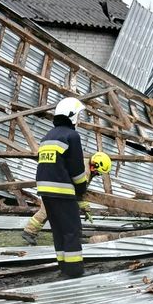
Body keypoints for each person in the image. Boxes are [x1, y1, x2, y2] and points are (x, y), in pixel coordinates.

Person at [34, 97, 90, 278]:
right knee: (72, 230)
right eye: (78, 115)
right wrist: (82, 188)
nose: (79, 120)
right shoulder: (72, 136)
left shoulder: (46, 137)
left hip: (45, 190)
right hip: (62, 191)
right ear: (72, 116)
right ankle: (74, 271)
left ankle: (63, 267)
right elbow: (77, 170)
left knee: (58, 231)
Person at [22, 152, 111, 246]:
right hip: (55, 187)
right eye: (98, 172)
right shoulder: (84, 171)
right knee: (48, 212)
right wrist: (84, 207)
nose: (97, 174)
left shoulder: (84, 165)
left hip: (56, 186)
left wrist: (84, 206)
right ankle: (29, 233)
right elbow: (78, 190)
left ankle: (31, 232)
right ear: (95, 164)